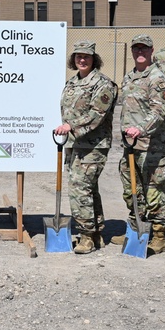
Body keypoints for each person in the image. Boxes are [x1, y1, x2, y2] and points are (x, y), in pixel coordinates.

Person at [54, 40, 118, 254]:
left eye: (86, 56)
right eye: (78, 56)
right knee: (88, 189)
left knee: (79, 189)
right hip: (74, 144)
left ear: (94, 59)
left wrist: (70, 126)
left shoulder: (103, 84)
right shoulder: (72, 83)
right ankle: (97, 232)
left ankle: (86, 236)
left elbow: (96, 115)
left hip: (93, 146)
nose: (82, 59)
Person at [111, 34, 165, 254]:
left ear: (151, 50)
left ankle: (159, 236)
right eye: (136, 49)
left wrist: (141, 129)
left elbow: (159, 111)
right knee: (132, 191)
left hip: (151, 146)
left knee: (154, 192)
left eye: (144, 49)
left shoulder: (157, 78)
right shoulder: (129, 77)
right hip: (130, 147)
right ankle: (136, 230)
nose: (140, 52)